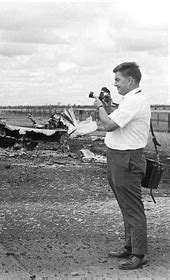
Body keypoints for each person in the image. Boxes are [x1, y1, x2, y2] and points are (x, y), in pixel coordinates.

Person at [93, 62, 151, 270]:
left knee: (133, 208)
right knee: (126, 205)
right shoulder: (129, 101)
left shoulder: (134, 101)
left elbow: (108, 125)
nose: (115, 84)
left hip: (127, 159)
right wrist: (106, 108)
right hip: (118, 157)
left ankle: (139, 254)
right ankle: (130, 246)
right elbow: (114, 121)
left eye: (117, 80)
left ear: (130, 80)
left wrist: (99, 106)